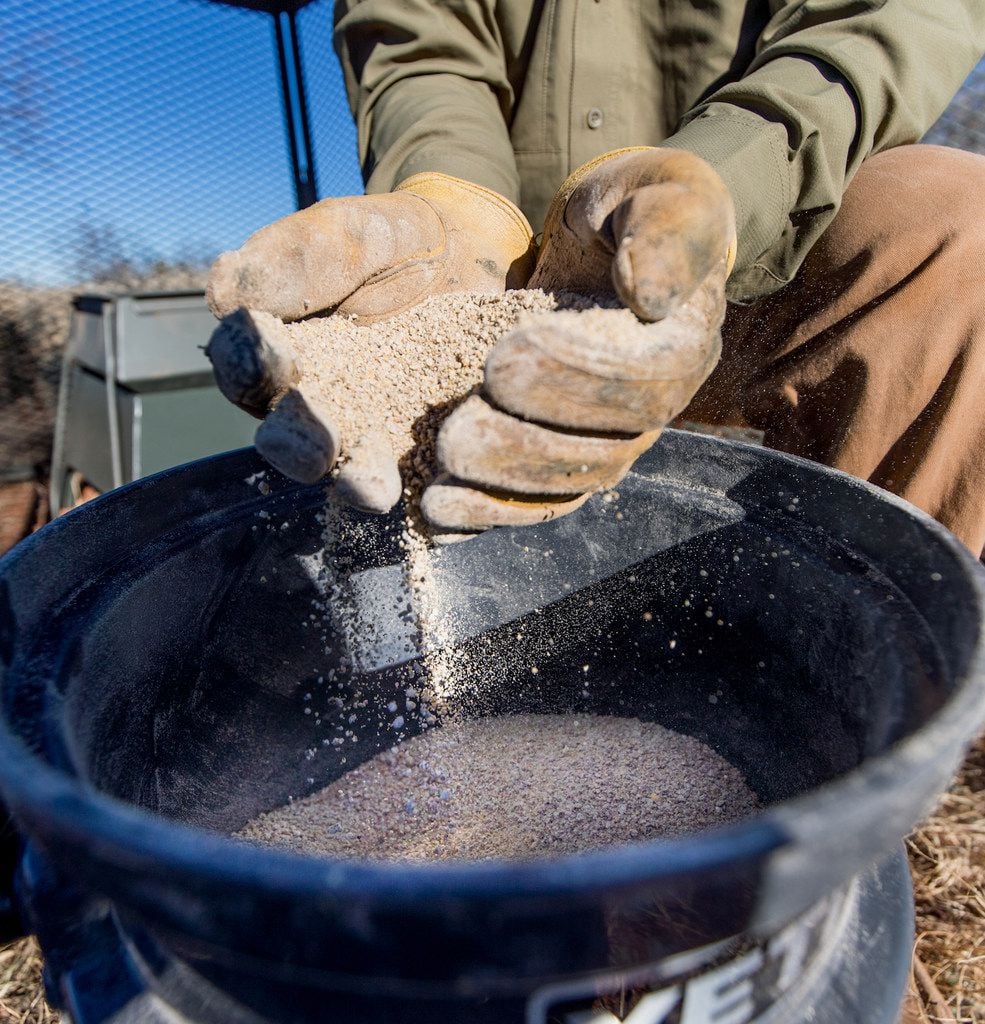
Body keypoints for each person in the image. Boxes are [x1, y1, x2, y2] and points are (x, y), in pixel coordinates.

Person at [206, 1, 985, 559]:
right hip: (511, 281)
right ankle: (490, 609)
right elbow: (424, 57)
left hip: (764, 248)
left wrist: (715, 190)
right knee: (404, 468)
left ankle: (829, 661)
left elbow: (873, 26)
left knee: (957, 225)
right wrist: (453, 208)